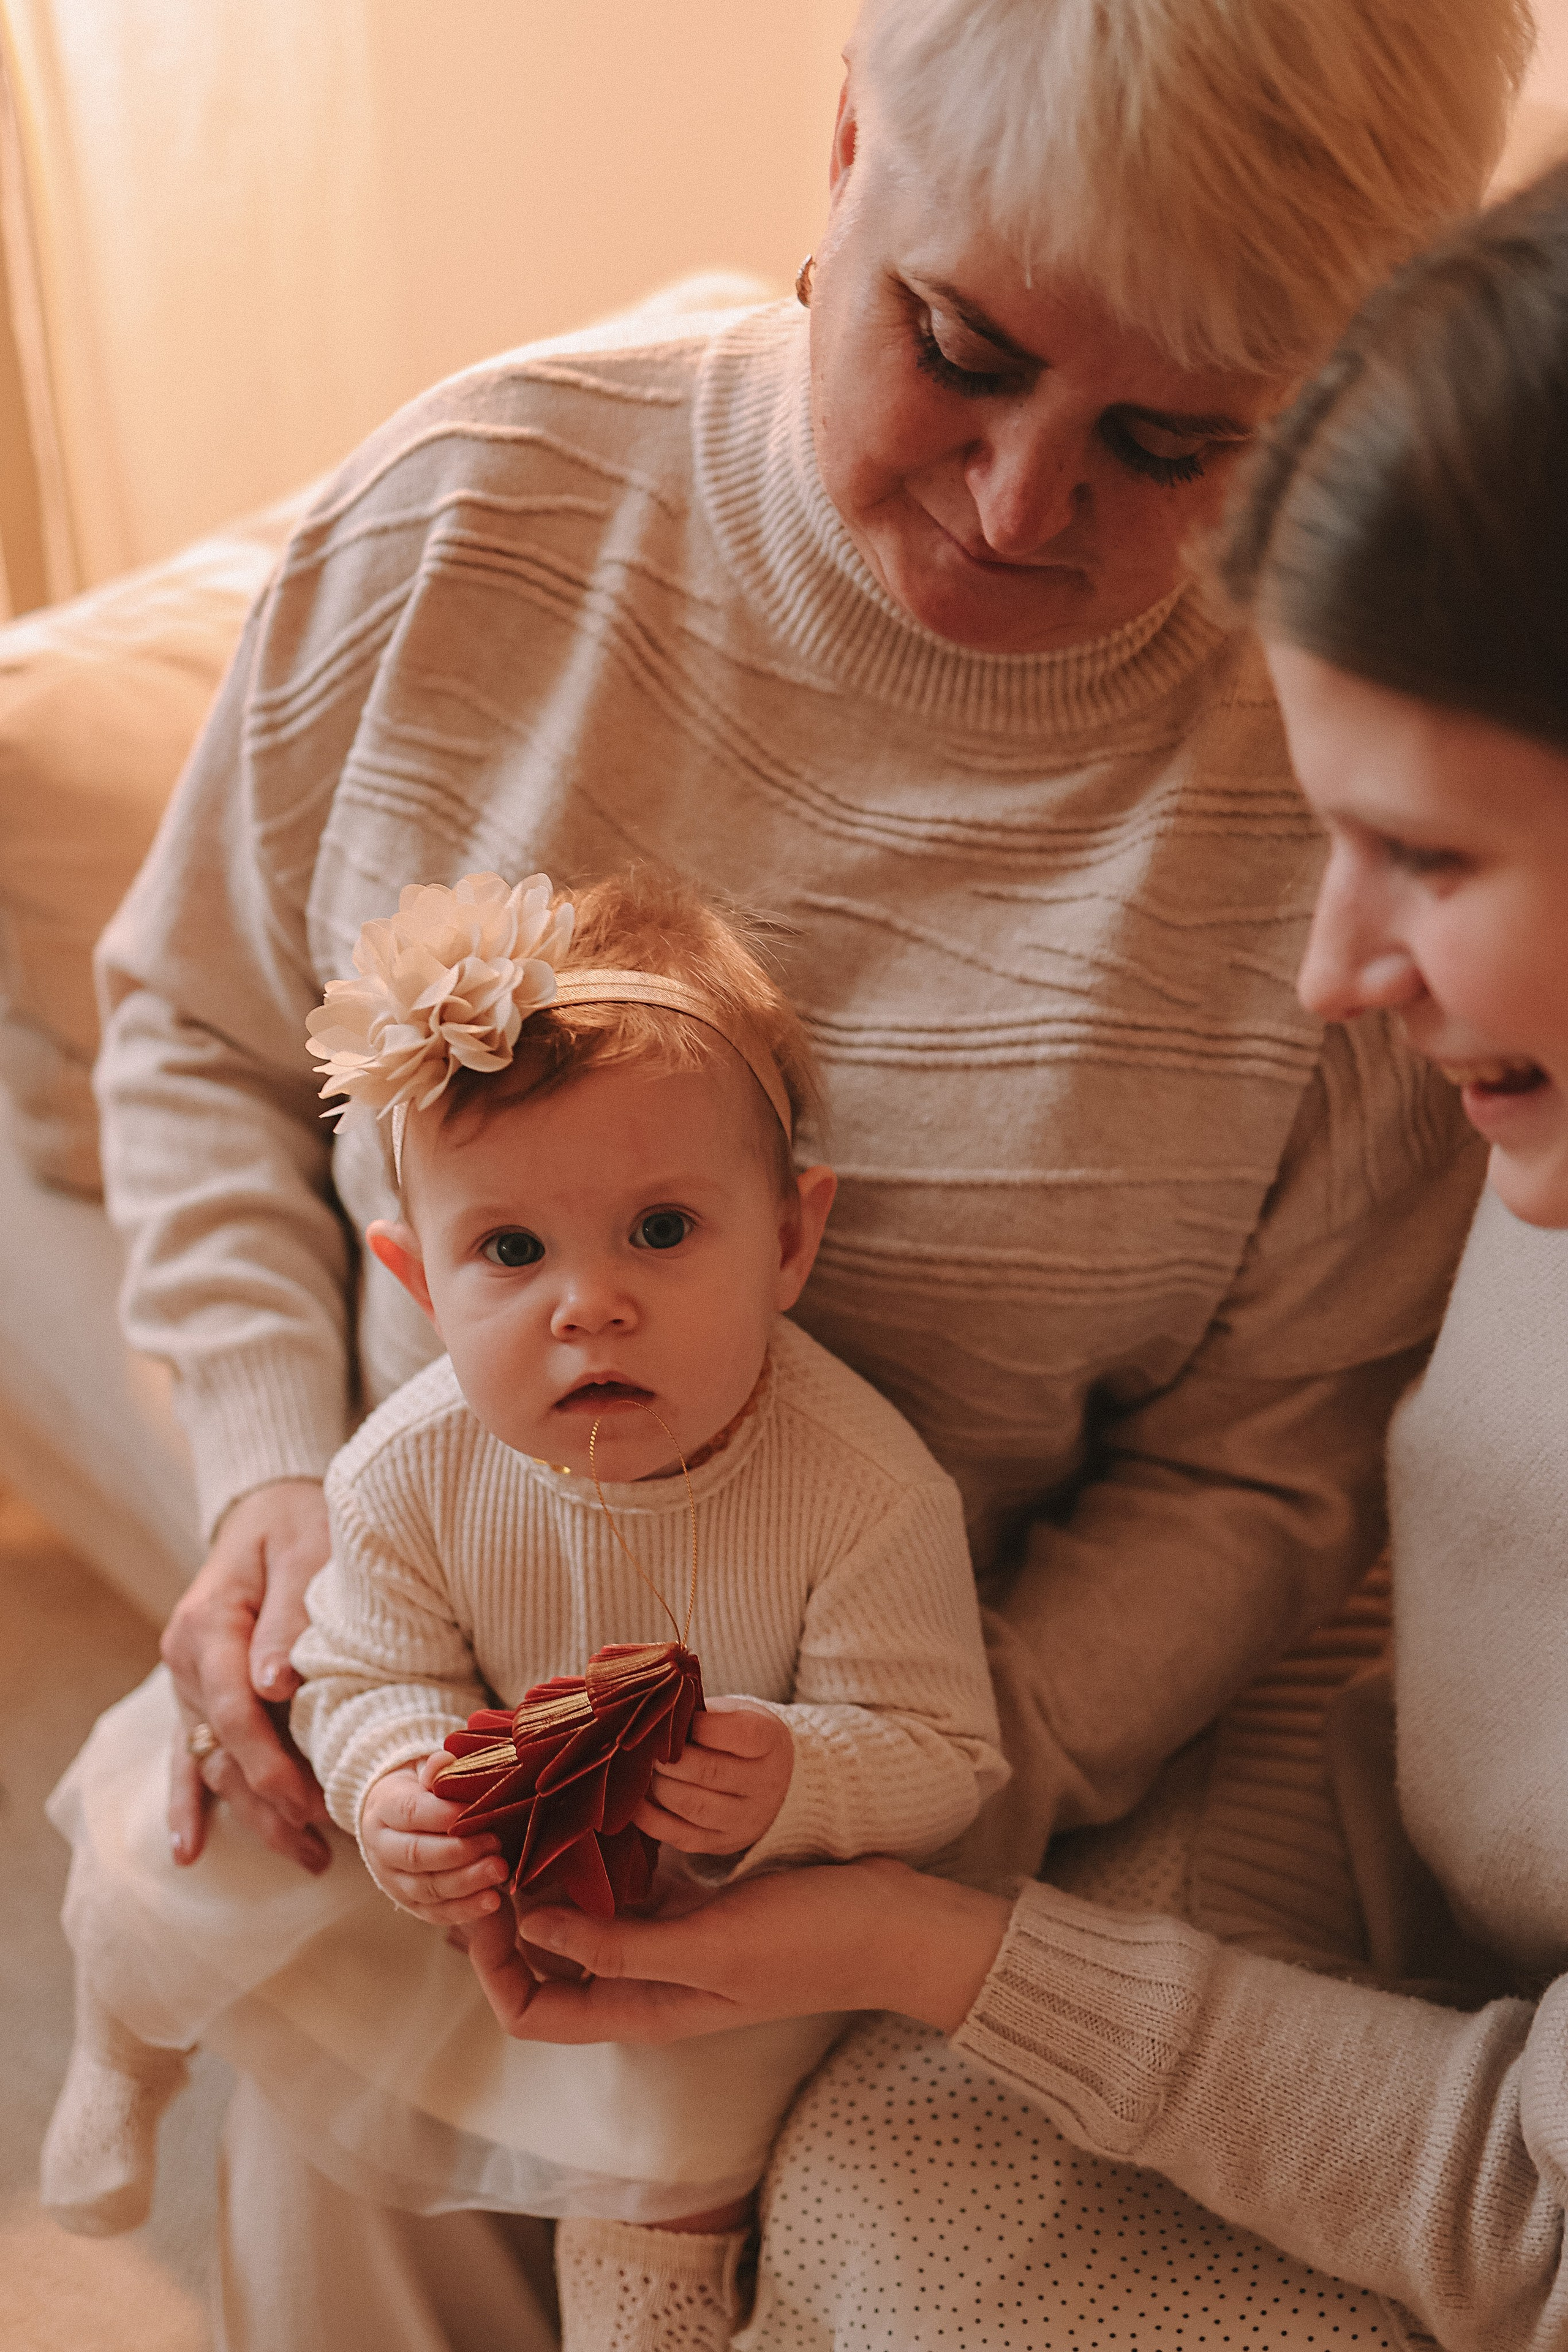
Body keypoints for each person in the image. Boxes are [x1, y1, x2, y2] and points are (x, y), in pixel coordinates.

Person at [83, 0, 1526, 2341]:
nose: (1022, 504)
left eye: (1177, 441)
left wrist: (892, 1799)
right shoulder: (463, 522)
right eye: (960, 350)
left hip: (940, 1762)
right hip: (423, 1697)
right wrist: (265, 1479)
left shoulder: (1346, 797)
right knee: (346, 2207)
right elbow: (195, 1026)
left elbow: (1265, 1475)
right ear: (848, 141)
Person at [473, 159, 1568, 2352]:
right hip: (1417, 1911)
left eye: (1427, 858)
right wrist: (914, 1918)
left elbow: (1521, 2200)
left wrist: (939, 1922)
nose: (1336, 971)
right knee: (852, 2179)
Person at [45, 867, 1005, 2348]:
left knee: (691, 2121)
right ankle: (126, 2050)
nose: (588, 1304)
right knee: (182, 1808)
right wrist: (393, 1786)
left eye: (661, 1230)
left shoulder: (865, 1492)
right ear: (418, 1281)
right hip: (468, 1840)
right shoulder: (404, 1467)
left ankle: (648, 2310)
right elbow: (367, 1674)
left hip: (695, 1894)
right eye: (511, 1251)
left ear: (789, 1240)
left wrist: (796, 1773)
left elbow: (946, 1750)